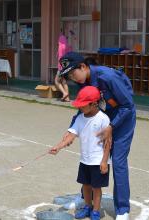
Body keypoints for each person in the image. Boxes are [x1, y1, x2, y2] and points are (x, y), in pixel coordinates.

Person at [59, 52, 136, 220]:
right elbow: (82, 107)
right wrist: (71, 128)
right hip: (101, 119)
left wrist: (112, 126)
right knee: (90, 156)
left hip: (122, 119)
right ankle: (86, 200)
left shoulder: (107, 77)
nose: (73, 78)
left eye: (73, 73)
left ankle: (122, 209)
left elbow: (128, 105)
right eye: (69, 76)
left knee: (118, 161)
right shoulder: (83, 82)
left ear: (83, 66)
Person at [49, 86, 111, 220]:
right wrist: (58, 147)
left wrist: (105, 161)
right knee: (86, 186)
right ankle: (87, 206)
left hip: (98, 160)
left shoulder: (103, 119)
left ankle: (95, 210)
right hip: (85, 160)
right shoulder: (80, 118)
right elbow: (71, 135)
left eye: (83, 105)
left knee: (96, 187)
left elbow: (108, 143)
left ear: (94, 104)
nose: (80, 108)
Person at [55, 34, 72, 102]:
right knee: (64, 82)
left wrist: (60, 68)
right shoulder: (68, 47)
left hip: (61, 67)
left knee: (56, 81)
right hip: (67, 66)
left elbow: (60, 59)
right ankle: (67, 98)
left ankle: (65, 93)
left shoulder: (60, 47)